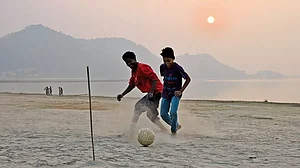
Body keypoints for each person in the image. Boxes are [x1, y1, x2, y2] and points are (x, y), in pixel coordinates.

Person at [117, 51, 168, 136]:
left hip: (156, 92)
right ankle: (132, 130)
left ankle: (164, 130)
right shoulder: (134, 71)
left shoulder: (143, 67)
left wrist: (151, 93)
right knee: (139, 108)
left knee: (150, 113)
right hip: (151, 93)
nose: (129, 64)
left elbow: (154, 80)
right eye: (127, 63)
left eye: (130, 61)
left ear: (134, 59)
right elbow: (132, 84)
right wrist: (122, 94)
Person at [159, 47, 191, 134]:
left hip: (175, 94)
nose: (167, 63)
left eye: (168, 61)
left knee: (173, 112)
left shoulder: (178, 68)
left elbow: (188, 79)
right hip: (165, 93)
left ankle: (174, 131)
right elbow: (164, 78)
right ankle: (176, 125)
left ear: (173, 59)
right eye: (164, 61)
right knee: (163, 114)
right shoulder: (162, 67)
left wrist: (181, 91)